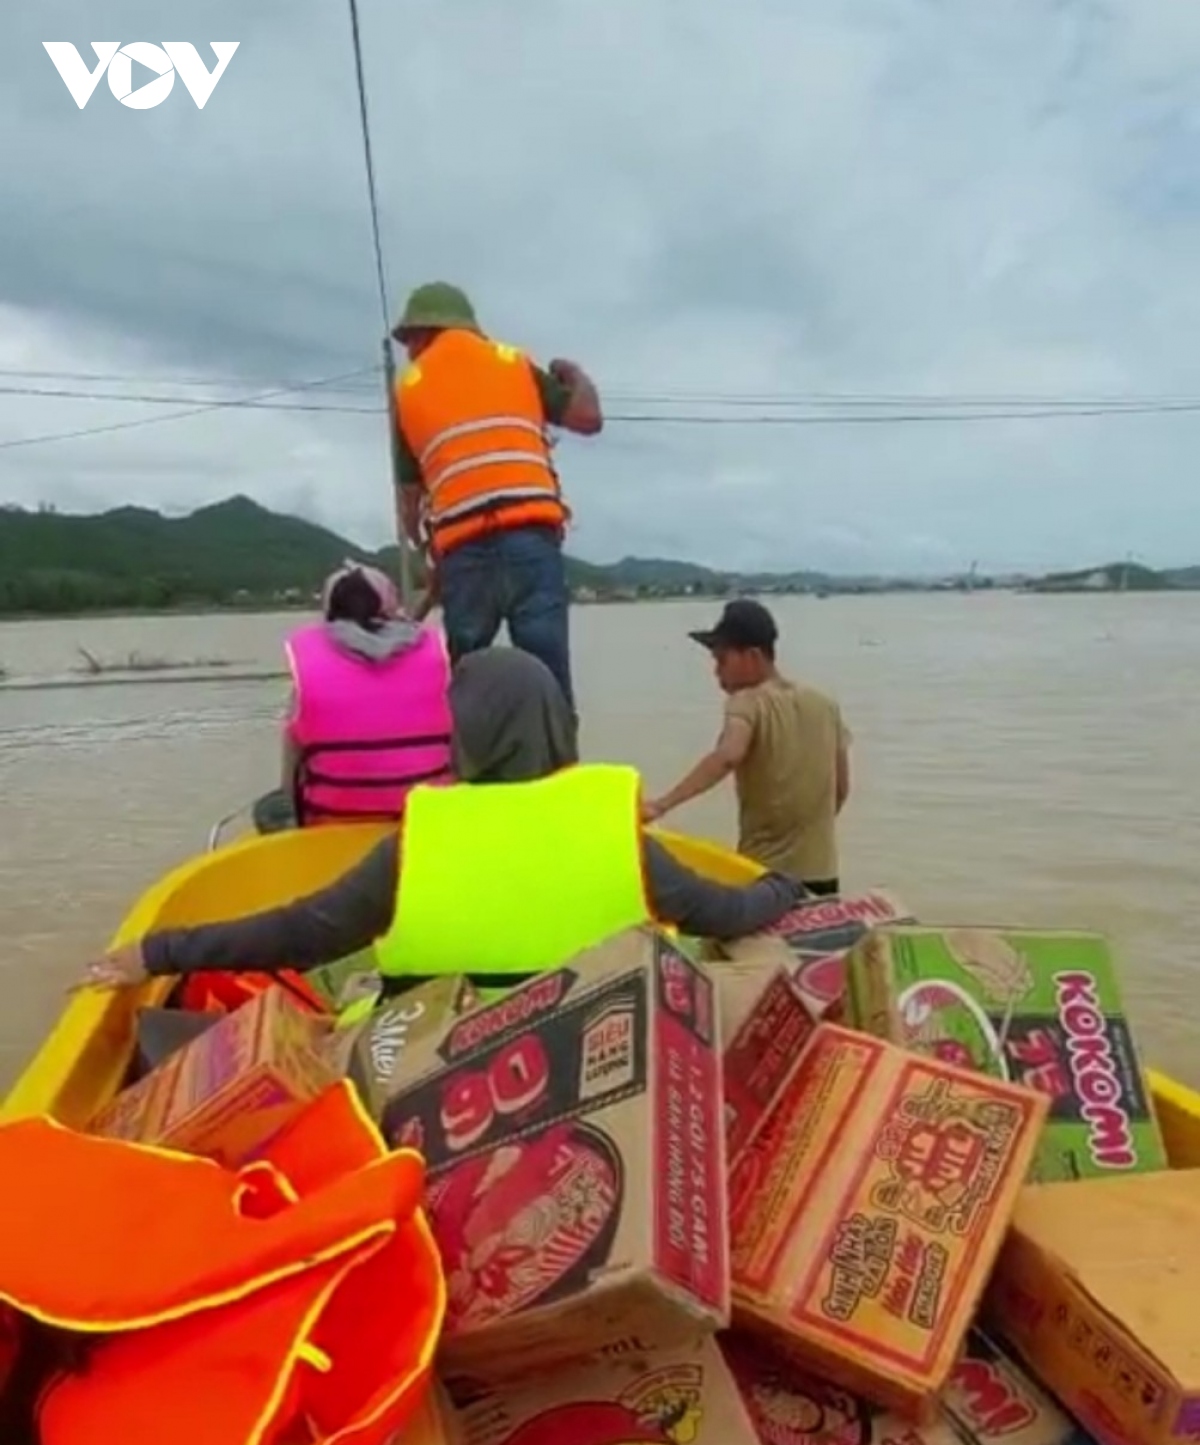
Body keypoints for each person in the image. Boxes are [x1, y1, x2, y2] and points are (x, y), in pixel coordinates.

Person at [82, 647, 805, 997]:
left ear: (463, 732)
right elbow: (729, 910)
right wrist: (785, 886)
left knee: (357, 998)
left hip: (439, 1074)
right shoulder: (618, 834)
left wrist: (159, 951)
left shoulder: (419, 840)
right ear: (557, 725)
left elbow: (300, 932)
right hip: (592, 1056)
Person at [391, 280, 602, 714]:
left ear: (422, 332)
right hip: (531, 540)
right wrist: (576, 376)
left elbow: (410, 509)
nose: (409, 349)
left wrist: (431, 560)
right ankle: (560, 769)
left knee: (470, 681)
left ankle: (475, 769)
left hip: (463, 553)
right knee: (549, 678)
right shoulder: (512, 362)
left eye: (409, 338)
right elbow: (587, 418)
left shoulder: (408, 390)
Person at [643, 598, 851, 895]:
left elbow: (728, 755)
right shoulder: (826, 705)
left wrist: (661, 804)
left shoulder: (746, 702)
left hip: (763, 878)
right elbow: (841, 789)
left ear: (753, 656)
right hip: (823, 875)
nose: (717, 674)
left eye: (722, 661)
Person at [262, 561, 453, 829]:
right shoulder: (439, 654)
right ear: (390, 604)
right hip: (429, 826)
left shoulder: (309, 662)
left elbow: (291, 776)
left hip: (333, 829)